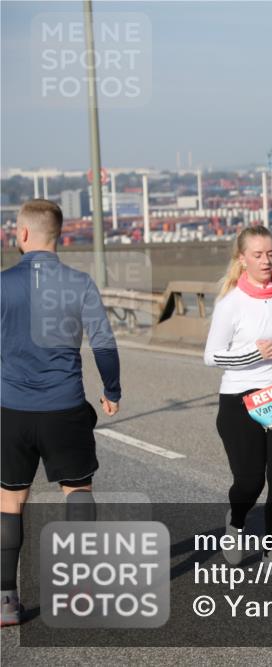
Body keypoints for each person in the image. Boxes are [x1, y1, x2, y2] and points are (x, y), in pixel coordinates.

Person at [1, 200, 121, 626]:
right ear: (59, 236)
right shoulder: (79, 283)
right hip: (65, 407)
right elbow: (103, 343)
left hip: (12, 409)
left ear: (23, 234)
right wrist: (111, 389)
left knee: (10, 500)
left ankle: (5, 600)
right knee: (78, 491)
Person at [204, 225, 272, 569]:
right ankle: (236, 522)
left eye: (270, 254)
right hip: (239, 399)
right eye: (257, 255)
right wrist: (253, 354)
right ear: (242, 259)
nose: (266, 261)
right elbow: (211, 356)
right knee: (250, 482)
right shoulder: (231, 303)